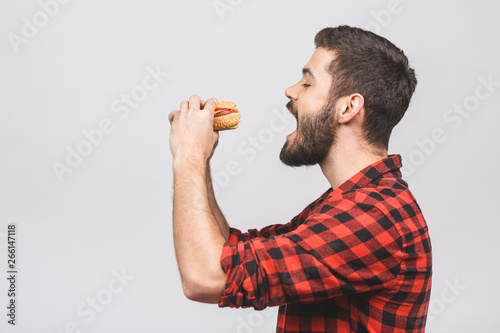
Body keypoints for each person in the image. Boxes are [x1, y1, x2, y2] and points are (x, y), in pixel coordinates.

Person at [168, 25, 432, 332]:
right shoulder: (347, 204)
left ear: (347, 107)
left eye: (307, 83)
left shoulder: (376, 215)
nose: (291, 91)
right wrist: (202, 159)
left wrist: (187, 158)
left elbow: (206, 278)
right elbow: (230, 251)